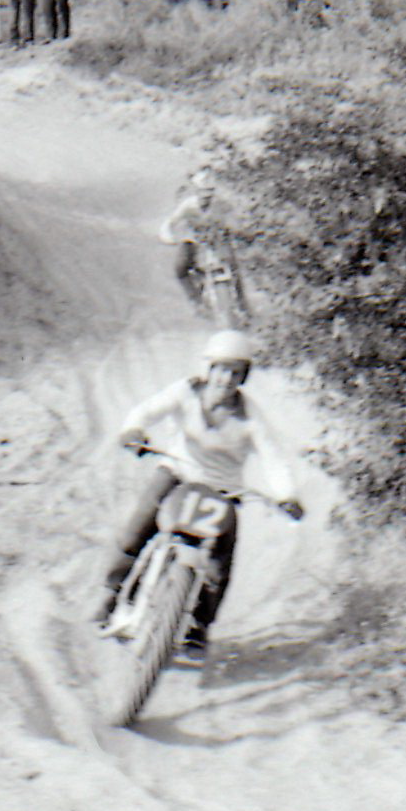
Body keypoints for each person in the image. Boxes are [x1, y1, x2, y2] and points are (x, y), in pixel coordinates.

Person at [93, 330, 304, 660]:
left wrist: (286, 495)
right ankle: (111, 595)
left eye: (235, 372)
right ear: (209, 369)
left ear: (243, 377)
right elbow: (146, 411)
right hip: (177, 472)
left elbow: (273, 457)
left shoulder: (250, 416)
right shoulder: (186, 392)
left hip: (223, 490)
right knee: (137, 529)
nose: (226, 379)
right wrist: (134, 431)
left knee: (220, 561)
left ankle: (198, 627)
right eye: (221, 369)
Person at [159, 168, 223, 310]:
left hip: (214, 241)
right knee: (180, 268)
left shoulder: (220, 205)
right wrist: (167, 235)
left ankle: (240, 302)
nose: (206, 200)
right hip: (192, 240)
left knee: (230, 266)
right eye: (203, 195)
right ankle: (196, 300)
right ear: (197, 192)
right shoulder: (188, 205)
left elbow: (232, 220)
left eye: (209, 195)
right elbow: (171, 221)